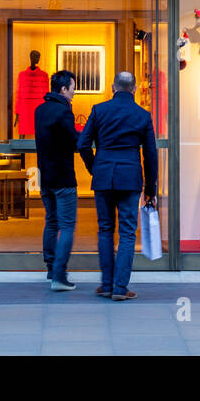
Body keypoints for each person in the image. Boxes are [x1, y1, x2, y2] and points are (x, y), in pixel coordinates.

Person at [77, 71, 158, 301]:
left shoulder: (98, 110)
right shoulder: (143, 115)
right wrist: (150, 188)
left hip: (103, 177)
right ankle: (120, 288)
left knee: (105, 230)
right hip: (130, 178)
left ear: (113, 88)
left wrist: (95, 167)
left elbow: (83, 144)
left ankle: (106, 284)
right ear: (134, 90)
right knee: (127, 233)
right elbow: (150, 155)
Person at [36, 70, 79, 291]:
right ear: (63, 89)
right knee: (67, 226)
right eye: (73, 88)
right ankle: (60, 276)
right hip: (63, 177)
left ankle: (51, 268)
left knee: (51, 222)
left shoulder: (40, 110)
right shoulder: (64, 112)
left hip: (45, 177)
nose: (74, 93)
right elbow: (72, 142)